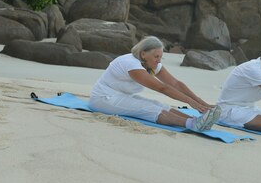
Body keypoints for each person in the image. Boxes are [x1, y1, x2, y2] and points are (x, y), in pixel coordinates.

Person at [89, 36, 221, 132]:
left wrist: (201, 103)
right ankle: (192, 124)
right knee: (149, 108)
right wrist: (191, 103)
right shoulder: (131, 64)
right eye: (156, 57)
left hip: (121, 96)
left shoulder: (151, 64)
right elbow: (162, 88)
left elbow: (175, 84)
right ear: (143, 54)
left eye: (160, 57)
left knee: (160, 105)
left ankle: (199, 121)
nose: (159, 61)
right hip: (103, 98)